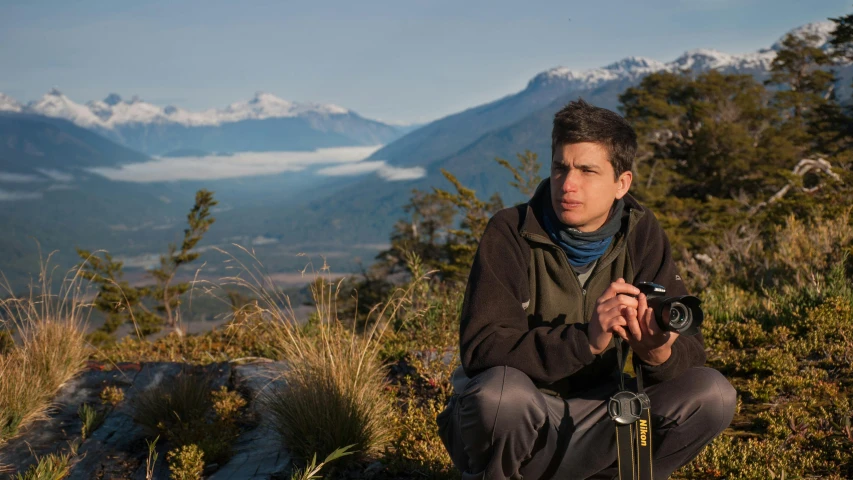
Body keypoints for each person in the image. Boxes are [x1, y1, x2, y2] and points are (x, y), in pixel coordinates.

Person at [436, 99, 737, 480]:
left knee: (713, 394)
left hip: (603, 413)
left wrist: (658, 353)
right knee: (502, 398)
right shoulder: (511, 231)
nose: (568, 184)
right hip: (527, 417)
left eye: (587, 171)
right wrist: (586, 341)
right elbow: (482, 348)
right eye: (560, 167)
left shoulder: (641, 233)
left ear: (621, 183)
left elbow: (691, 347)